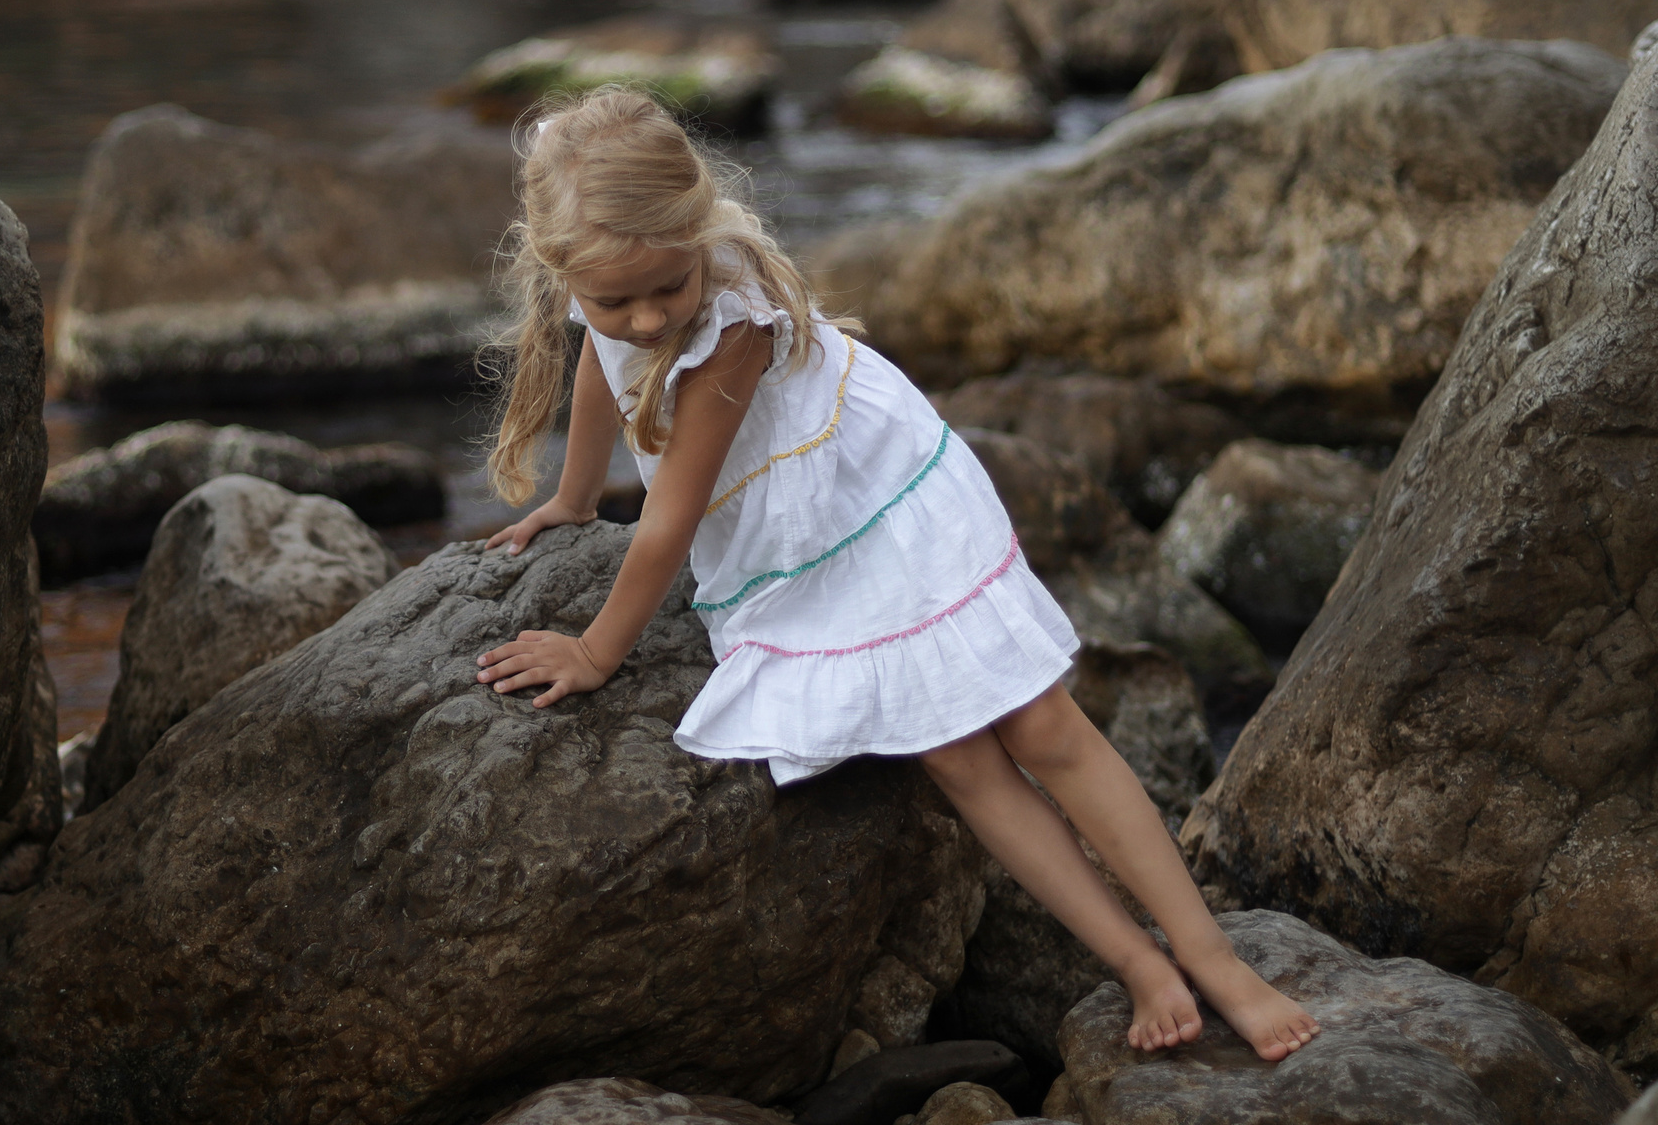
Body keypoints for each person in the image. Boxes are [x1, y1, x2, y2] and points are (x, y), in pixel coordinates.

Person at [472, 88, 1318, 1060]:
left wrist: (593, 651)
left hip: (875, 498)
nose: (648, 315)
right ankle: (1134, 960)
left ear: (695, 230)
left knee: (1042, 723)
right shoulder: (613, 295)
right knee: (955, 754)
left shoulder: (732, 320)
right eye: (614, 301)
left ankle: (1212, 953)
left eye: (666, 287)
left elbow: (666, 524)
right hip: (792, 536)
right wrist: (575, 499)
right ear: (562, 270)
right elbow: (601, 367)